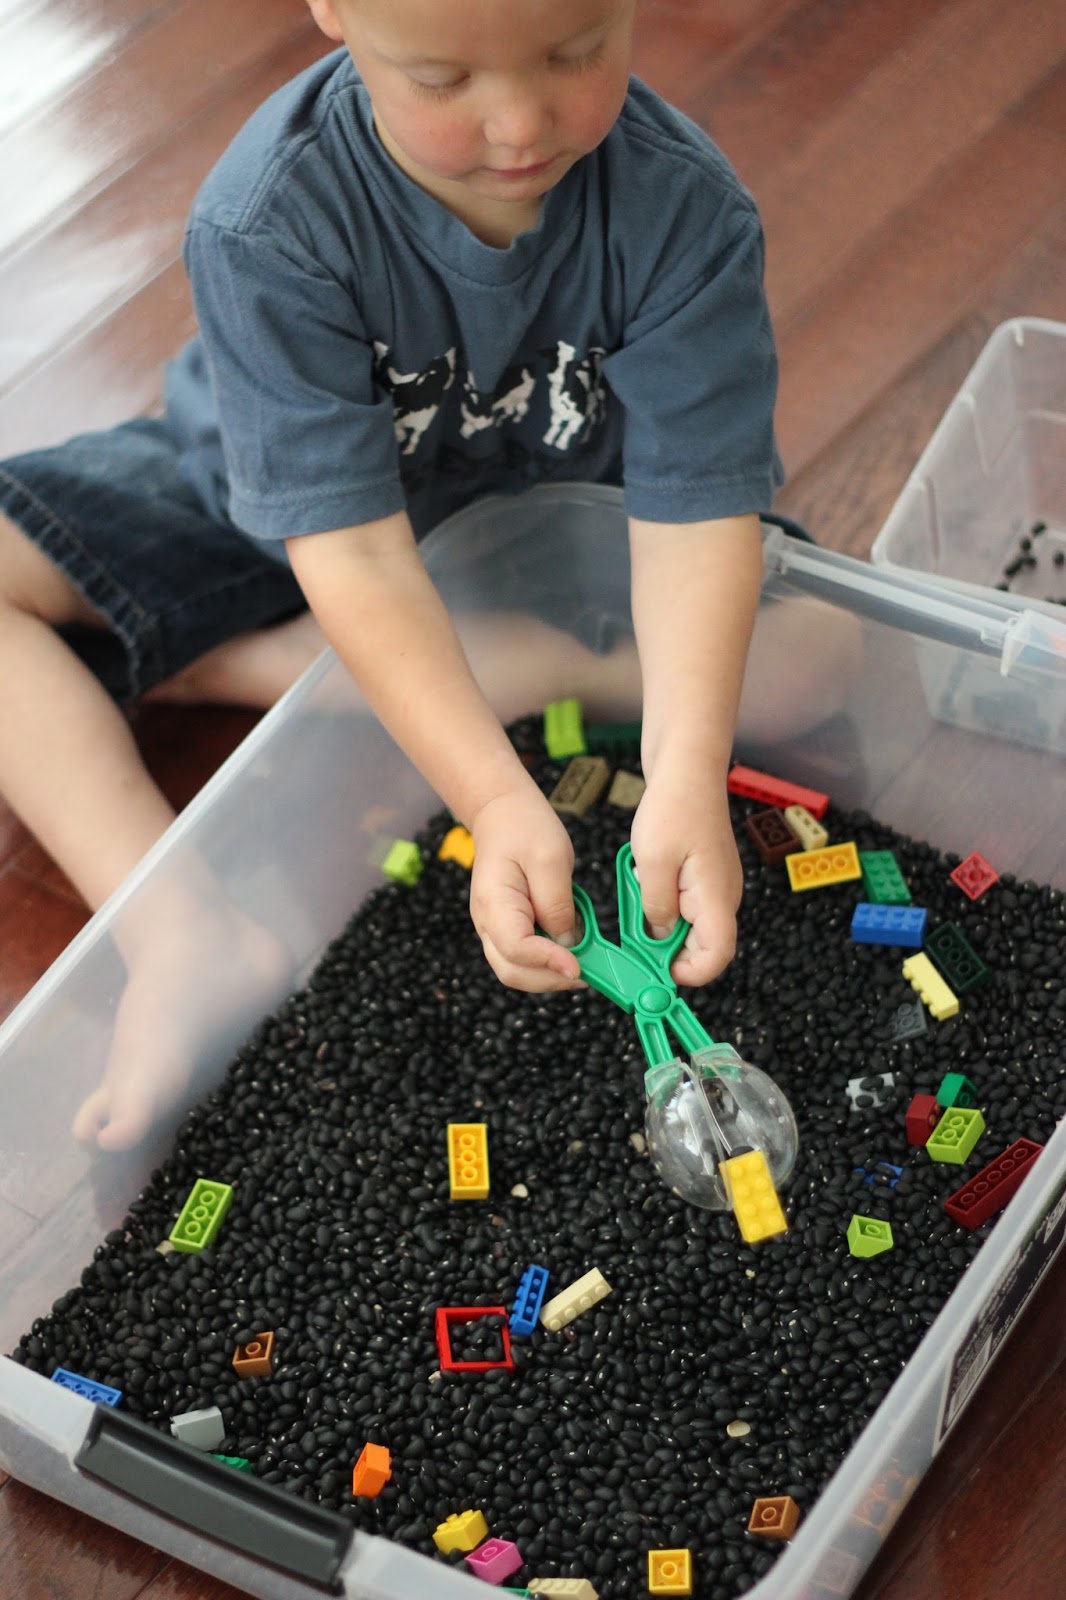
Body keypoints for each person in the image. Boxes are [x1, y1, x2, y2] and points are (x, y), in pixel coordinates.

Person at [0, 0, 812, 1150]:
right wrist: (490, 796)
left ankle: (266, 666)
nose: (523, 119)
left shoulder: (682, 206)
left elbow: (692, 523)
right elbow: (357, 554)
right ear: (332, 12)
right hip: (304, 523)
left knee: (825, 658)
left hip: (558, 531)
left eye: (575, 51)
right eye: (441, 78)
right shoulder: (269, 223)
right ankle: (178, 925)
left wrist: (687, 772)